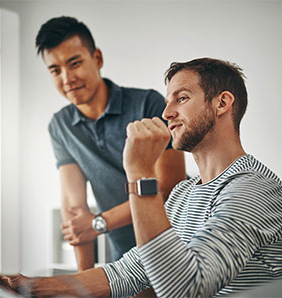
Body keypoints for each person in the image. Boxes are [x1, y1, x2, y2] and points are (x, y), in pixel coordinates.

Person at [0, 58, 282, 297]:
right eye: (167, 102)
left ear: (222, 103)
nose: (167, 113)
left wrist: (140, 172)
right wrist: (27, 286)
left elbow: (185, 289)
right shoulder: (183, 195)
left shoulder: (253, 189)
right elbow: (127, 272)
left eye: (182, 98)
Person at [35, 16, 186, 271]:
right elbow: (75, 212)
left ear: (98, 58)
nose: (67, 78)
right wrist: (83, 283)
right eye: (55, 70)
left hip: (171, 248)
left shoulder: (148, 104)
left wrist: (99, 222)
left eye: (75, 63)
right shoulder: (59, 126)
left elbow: (168, 191)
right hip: (122, 260)